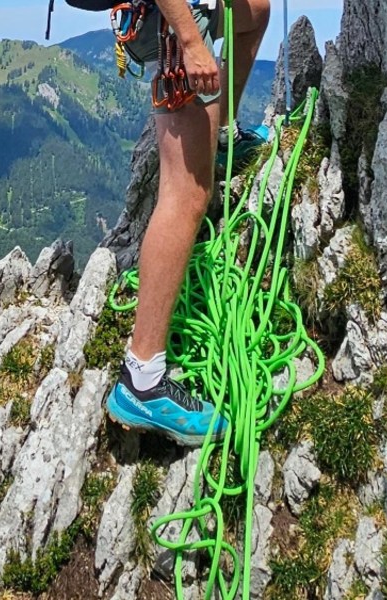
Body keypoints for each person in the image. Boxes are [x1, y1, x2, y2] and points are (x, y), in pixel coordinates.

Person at [106, 0, 270, 447]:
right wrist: (193, 43)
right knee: (186, 194)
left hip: (173, 15)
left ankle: (221, 133)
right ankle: (142, 379)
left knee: (254, 11)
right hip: (169, 24)